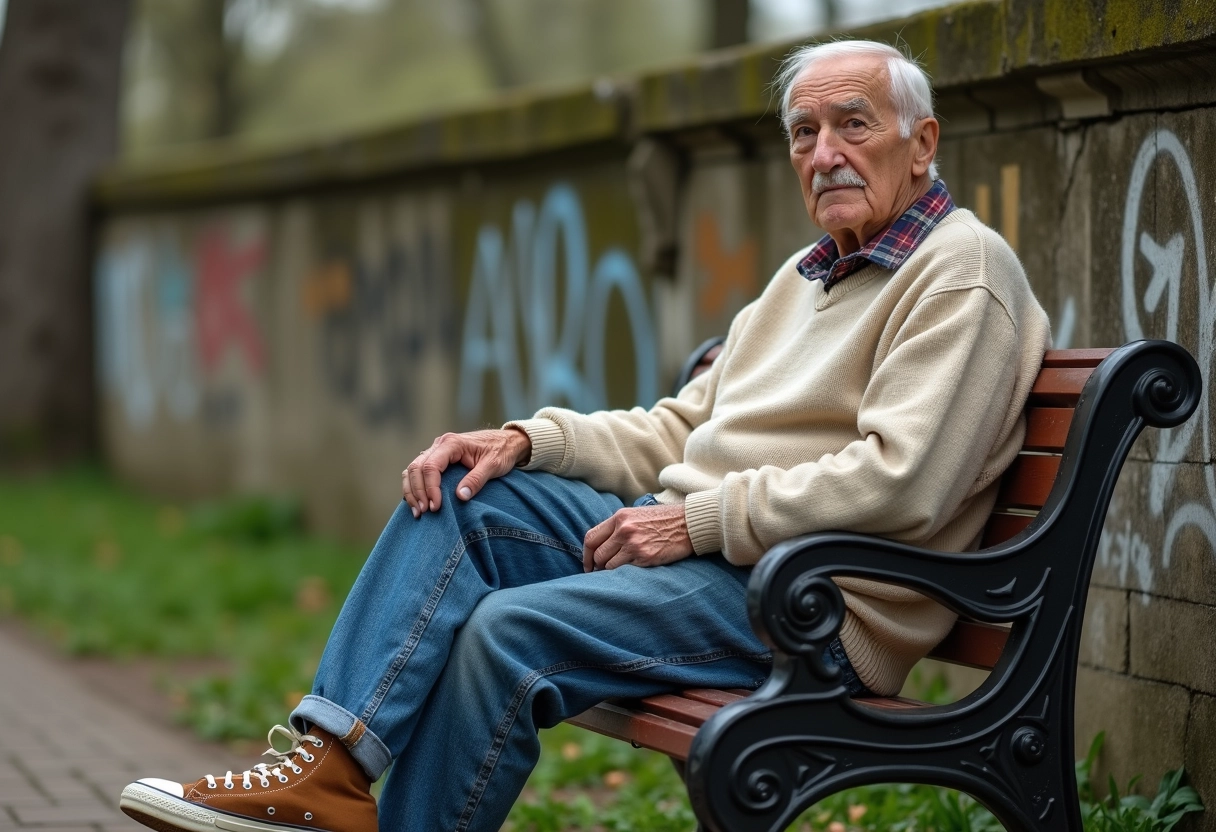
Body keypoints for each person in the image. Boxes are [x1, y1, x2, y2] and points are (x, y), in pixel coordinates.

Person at [119, 39, 1050, 832]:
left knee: (508, 632)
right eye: (804, 133)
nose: (826, 152)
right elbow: (680, 427)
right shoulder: (805, 280)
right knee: (465, 494)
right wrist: (527, 441)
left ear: (921, 143)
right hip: (711, 556)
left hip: (811, 600)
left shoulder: (959, 273)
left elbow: (901, 480)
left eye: (854, 124)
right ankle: (326, 773)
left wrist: (697, 523)